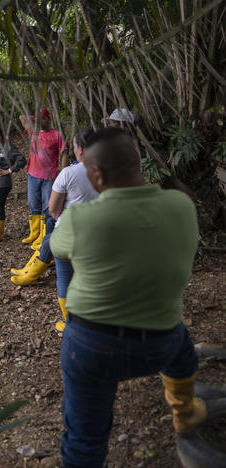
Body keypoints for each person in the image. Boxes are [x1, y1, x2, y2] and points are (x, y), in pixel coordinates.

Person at [49, 127, 206, 467]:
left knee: (85, 438)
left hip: (91, 348)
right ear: (138, 159)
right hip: (160, 341)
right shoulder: (181, 205)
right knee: (182, 350)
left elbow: (58, 249)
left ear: (97, 176)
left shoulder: (80, 219)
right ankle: (185, 412)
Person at [10, 130, 98, 332]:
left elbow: (52, 209)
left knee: (65, 277)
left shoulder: (68, 173)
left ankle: (71, 322)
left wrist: (62, 219)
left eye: (74, 146)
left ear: (81, 150)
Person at [18, 109, 67, 250]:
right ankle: (35, 233)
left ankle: (44, 235)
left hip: (49, 176)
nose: (42, 122)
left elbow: (63, 153)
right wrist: (35, 117)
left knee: (47, 207)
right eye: (40, 120)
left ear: (49, 119)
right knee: (33, 204)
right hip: (33, 175)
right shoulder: (34, 132)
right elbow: (21, 117)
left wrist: (64, 172)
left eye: (45, 119)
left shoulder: (56, 135)